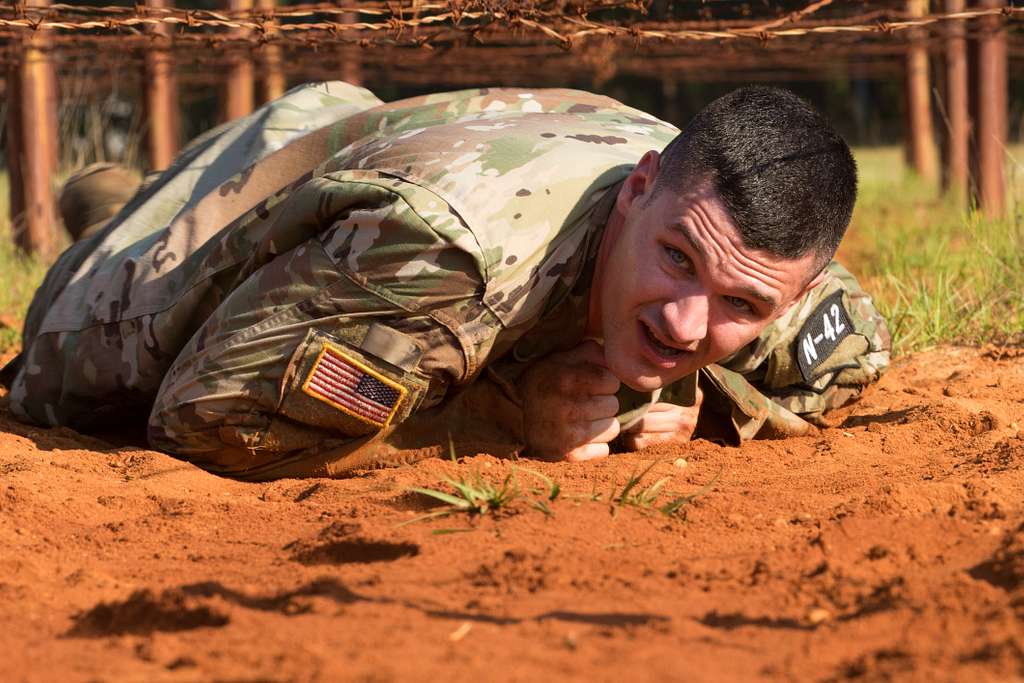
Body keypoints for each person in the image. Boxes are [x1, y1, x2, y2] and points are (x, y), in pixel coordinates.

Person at [0, 81, 890, 479]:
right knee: (118, 277)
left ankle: (128, 190)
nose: (688, 326)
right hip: (153, 287)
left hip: (372, 143)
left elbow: (859, 346)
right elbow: (205, 416)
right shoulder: (447, 261)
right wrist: (502, 416)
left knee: (313, 149)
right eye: (676, 261)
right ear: (641, 187)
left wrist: (708, 396)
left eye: (742, 308)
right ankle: (112, 212)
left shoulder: (749, 246)